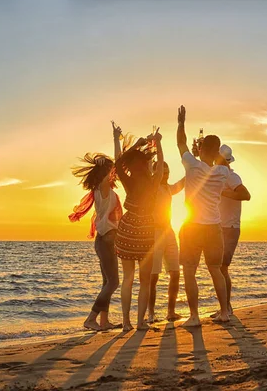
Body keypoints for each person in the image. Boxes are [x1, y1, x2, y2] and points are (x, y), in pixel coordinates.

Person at [176, 105, 231, 327]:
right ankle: (225, 312)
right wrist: (212, 152)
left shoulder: (191, 165)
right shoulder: (223, 172)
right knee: (215, 269)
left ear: (201, 150)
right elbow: (223, 162)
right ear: (217, 152)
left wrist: (181, 123)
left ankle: (194, 316)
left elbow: (180, 143)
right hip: (214, 226)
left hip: (193, 226)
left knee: (189, 270)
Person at [68, 122, 125, 331]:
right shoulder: (102, 188)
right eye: (109, 171)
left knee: (107, 282)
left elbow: (116, 166)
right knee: (113, 283)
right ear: (105, 174)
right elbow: (118, 164)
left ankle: (103, 321)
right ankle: (91, 319)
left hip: (104, 240)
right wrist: (115, 139)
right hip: (107, 239)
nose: (113, 173)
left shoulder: (100, 189)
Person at [115, 129, 164, 331]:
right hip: (144, 228)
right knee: (145, 281)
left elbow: (118, 163)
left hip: (127, 227)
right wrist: (158, 143)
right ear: (145, 164)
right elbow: (161, 163)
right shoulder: (153, 182)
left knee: (128, 278)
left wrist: (137, 145)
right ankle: (140, 322)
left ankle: (126, 322)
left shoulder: (128, 180)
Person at [212, 144, 251, 317]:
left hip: (230, 228)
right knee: (219, 268)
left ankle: (226, 308)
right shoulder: (220, 176)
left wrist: (224, 193)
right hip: (221, 226)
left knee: (222, 268)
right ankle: (225, 307)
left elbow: (246, 195)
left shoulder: (232, 177)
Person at [147, 162, 185, 323]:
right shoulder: (151, 188)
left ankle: (171, 312)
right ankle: (150, 314)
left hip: (169, 232)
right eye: (163, 171)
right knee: (153, 276)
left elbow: (181, 184)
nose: (166, 174)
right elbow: (149, 175)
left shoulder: (169, 188)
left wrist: (192, 167)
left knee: (175, 273)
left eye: (168, 171)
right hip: (154, 234)